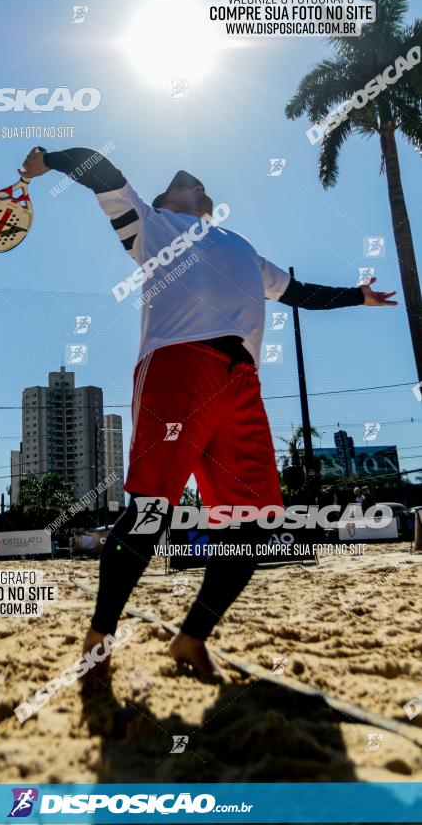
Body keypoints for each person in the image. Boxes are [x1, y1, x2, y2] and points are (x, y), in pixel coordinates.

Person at [20, 146, 398, 678]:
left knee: (256, 523)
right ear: (164, 199)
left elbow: (300, 292)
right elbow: (101, 169)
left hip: (241, 382)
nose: (185, 177)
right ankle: (97, 640)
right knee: (151, 511)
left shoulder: (242, 246)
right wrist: (50, 160)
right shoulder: (148, 226)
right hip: (177, 367)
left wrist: (356, 297)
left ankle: (191, 639)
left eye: (193, 180)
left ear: (208, 202)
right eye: (176, 180)